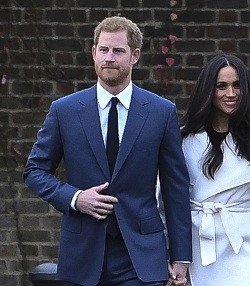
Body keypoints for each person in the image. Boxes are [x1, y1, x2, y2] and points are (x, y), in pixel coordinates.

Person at [23, 16, 192, 286]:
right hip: (83, 252)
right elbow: (34, 170)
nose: (109, 58)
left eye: (118, 51)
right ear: (93, 53)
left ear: (134, 55)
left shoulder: (161, 112)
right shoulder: (65, 111)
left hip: (141, 255)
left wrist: (181, 256)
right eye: (103, 50)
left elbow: (176, 187)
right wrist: (76, 197)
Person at [179, 54, 250, 285]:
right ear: (208, 90)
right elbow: (164, 200)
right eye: (221, 86)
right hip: (197, 240)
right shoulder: (184, 139)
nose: (231, 94)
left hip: (242, 244)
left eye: (237, 85)